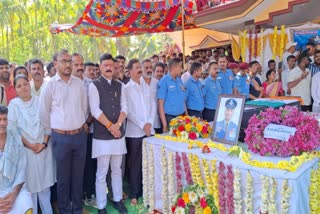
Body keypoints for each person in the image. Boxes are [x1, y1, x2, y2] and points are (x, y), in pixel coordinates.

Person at [39, 49, 88, 214]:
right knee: (63, 180)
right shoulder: (49, 86)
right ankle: (65, 210)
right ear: (55, 64)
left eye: (69, 61)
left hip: (80, 136)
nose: (68, 64)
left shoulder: (79, 83)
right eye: (64, 61)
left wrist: (78, 125)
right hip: (60, 138)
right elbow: (44, 115)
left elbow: (84, 108)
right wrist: (57, 130)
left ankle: (78, 209)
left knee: (78, 177)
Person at [8, 75, 56, 214]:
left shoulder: (40, 101)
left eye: (25, 84)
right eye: (19, 86)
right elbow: (13, 131)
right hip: (26, 153)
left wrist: (44, 143)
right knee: (30, 192)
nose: (23, 87)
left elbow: (48, 124)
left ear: (30, 85)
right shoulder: (13, 105)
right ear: (15, 90)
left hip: (44, 150)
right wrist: (29, 145)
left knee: (45, 192)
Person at [88, 53, 128, 214]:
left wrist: (118, 125)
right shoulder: (94, 85)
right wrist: (112, 126)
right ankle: (101, 206)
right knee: (102, 172)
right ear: (100, 67)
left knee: (117, 169)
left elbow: (125, 107)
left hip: (118, 134)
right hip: (102, 136)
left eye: (111, 65)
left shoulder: (120, 85)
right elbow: (95, 110)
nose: (109, 68)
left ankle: (117, 199)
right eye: (105, 65)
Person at [124, 59, 156, 206]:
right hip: (134, 133)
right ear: (129, 72)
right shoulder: (127, 88)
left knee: (148, 162)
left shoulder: (145, 85)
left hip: (149, 131)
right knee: (135, 165)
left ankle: (147, 191)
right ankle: (134, 194)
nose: (139, 70)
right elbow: (128, 112)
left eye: (139, 67)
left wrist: (149, 122)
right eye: (136, 68)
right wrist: (143, 124)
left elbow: (153, 105)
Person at [0, 105, 33, 213]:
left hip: (14, 189)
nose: (3, 123)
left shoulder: (15, 139)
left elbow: (21, 171)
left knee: (26, 204)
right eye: (0, 119)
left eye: (5, 119)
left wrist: (13, 195)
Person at [83, 62, 98, 207]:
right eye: (90, 70)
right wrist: (85, 124)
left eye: (94, 70)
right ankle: (86, 193)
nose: (93, 72)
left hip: (93, 130)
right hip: (81, 131)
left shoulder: (95, 84)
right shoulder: (81, 84)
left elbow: (95, 109)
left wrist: (88, 123)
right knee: (85, 164)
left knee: (92, 164)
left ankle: (90, 192)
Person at [157, 58, 186, 132]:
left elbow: (183, 100)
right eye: (180, 67)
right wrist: (165, 125)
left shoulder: (180, 80)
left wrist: (186, 116)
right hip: (170, 119)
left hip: (181, 117)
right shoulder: (164, 81)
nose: (182, 69)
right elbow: (160, 104)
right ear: (174, 68)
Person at [142, 59, 161, 134]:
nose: (149, 70)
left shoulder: (157, 83)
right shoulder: (138, 83)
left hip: (156, 120)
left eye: (150, 67)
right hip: (144, 123)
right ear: (141, 69)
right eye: (146, 68)